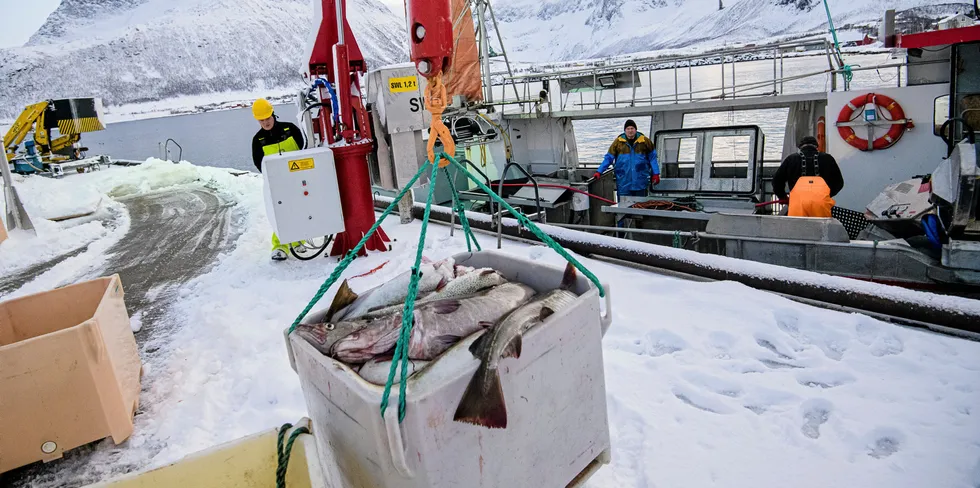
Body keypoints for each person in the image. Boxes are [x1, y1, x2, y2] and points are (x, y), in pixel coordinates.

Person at [251, 98, 307, 261]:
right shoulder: (258, 140)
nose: (266, 123)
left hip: (298, 178)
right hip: (276, 183)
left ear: (273, 115)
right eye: (262, 121)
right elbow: (258, 162)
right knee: (280, 214)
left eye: (267, 118)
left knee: (300, 210)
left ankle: (298, 241)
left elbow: (304, 148)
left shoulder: (290, 129)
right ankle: (280, 246)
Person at [772, 136, 844, 218]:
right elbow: (839, 183)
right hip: (821, 204)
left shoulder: (791, 159)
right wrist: (826, 195)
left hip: (797, 204)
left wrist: (783, 197)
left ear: (800, 147)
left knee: (798, 228)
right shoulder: (828, 158)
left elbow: (777, 181)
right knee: (822, 229)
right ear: (817, 147)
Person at [593, 119, 660, 198]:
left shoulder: (645, 141)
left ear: (636, 130)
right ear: (625, 130)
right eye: (628, 129)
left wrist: (656, 173)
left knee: (640, 206)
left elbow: (652, 158)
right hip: (623, 182)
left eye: (632, 128)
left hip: (640, 181)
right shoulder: (618, 142)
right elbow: (609, 158)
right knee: (624, 206)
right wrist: (599, 171)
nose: (630, 131)